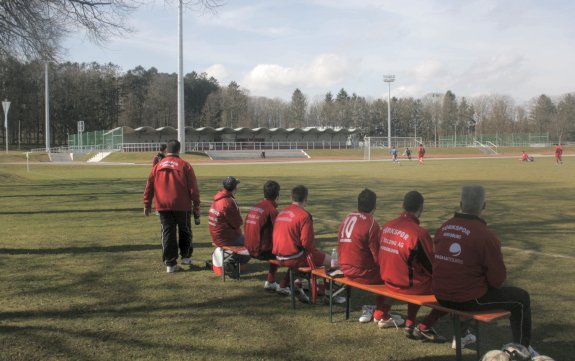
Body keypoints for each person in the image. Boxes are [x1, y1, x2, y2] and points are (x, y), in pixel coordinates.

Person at [433, 185, 538, 356]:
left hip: (440, 294)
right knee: (521, 298)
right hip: (467, 299)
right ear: (484, 206)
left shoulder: (444, 227)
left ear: (460, 203)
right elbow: (497, 280)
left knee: (465, 279)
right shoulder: (485, 235)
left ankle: (462, 334)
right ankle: (522, 348)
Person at [379, 191, 449, 341]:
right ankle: (425, 326)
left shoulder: (387, 225)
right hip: (407, 286)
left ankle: (410, 323)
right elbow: (431, 268)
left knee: (415, 271)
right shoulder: (419, 233)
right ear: (421, 208)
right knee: (453, 290)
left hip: (388, 282)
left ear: (403, 205)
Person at [144, 139, 201, 273]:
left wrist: (147, 204)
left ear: (167, 150)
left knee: (167, 233)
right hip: (182, 205)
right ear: (179, 150)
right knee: (185, 230)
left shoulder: (157, 166)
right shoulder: (185, 165)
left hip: (163, 205)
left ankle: (170, 263)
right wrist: (196, 204)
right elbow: (193, 188)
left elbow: (149, 186)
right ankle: (186, 257)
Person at [337, 188, 392, 325]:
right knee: (392, 275)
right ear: (374, 205)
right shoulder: (372, 223)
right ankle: (381, 313)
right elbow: (376, 256)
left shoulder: (347, 217)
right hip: (361, 272)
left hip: (344, 268)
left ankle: (375, 309)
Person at [272, 185, 332, 293]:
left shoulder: (282, 212)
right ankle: (329, 294)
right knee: (331, 261)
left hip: (278, 256)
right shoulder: (304, 215)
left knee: (297, 255)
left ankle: (285, 285)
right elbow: (307, 244)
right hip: (293, 257)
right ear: (306, 199)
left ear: (291, 197)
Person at [244, 180, 289, 294]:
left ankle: (271, 281)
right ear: (277, 195)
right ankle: (285, 284)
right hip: (259, 250)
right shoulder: (272, 210)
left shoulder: (255, 207)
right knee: (293, 253)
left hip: (248, 247)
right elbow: (281, 232)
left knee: (275, 247)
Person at [208, 176, 250, 277]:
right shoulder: (228, 202)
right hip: (226, 238)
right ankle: (231, 262)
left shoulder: (217, 198)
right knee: (253, 245)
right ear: (234, 187)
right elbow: (237, 223)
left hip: (217, 235)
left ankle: (230, 260)